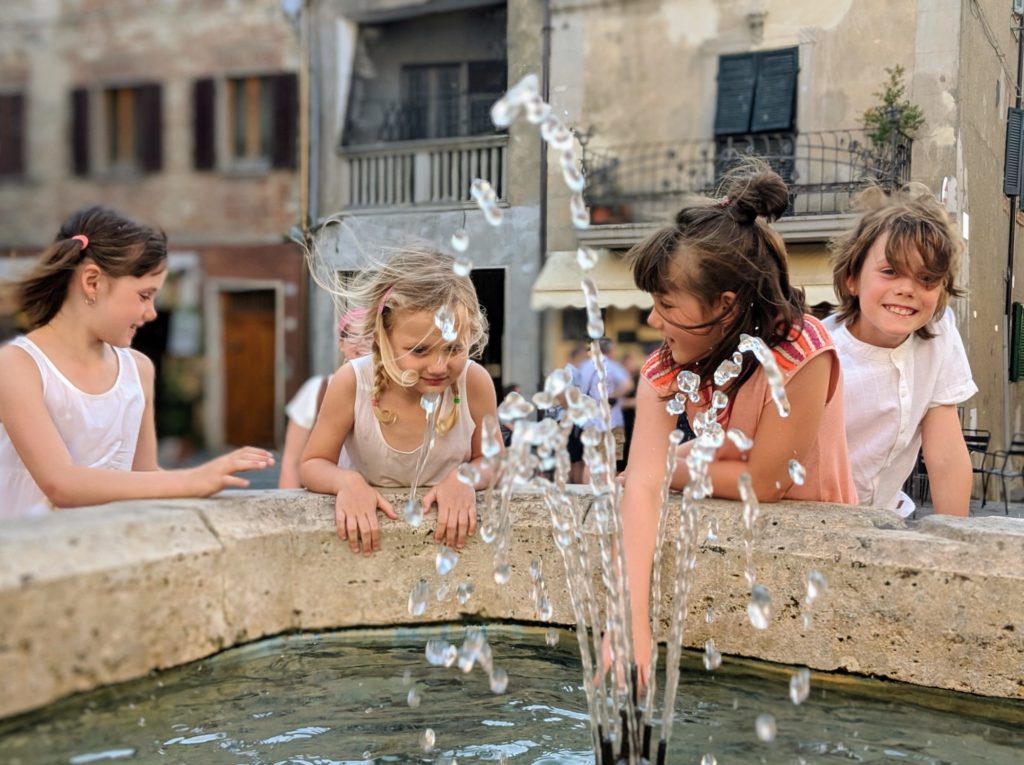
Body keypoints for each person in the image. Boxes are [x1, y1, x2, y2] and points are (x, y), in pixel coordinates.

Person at [618, 166, 857, 684]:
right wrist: (632, 624)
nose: (653, 321)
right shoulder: (669, 364)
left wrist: (672, 468)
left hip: (814, 569)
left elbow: (766, 482)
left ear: (724, 307)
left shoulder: (801, 350)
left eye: (665, 305)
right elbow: (637, 486)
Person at [0, 206, 274, 520]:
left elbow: (143, 475)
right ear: (92, 282)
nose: (152, 313)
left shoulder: (139, 369)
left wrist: (205, 481)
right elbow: (61, 483)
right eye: (145, 295)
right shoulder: (17, 365)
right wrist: (191, 479)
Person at [300, 247, 498, 556]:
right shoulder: (353, 382)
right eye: (419, 350)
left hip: (450, 546)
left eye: (454, 349)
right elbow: (312, 464)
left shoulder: (474, 382)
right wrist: (346, 483)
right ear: (381, 338)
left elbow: (494, 460)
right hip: (369, 543)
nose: (438, 366)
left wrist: (465, 477)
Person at [824, 183, 975, 517]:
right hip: (814, 520)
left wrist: (956, 543)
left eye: (926, 279)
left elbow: (946, 454)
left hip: (887, 517)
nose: (907, 289)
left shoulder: (939, 336)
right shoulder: (822, 353)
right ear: (852, 278)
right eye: (890, 271)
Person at [278, 309, 371, 488]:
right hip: (321, 499)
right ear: (341, 343)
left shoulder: (396, 393)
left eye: (369, 335)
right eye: (352, 336)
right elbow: (292, 461)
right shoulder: (317, 390)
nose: (361, 343)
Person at [572, 337, 634, 479]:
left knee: (591, 462)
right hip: (612, 420)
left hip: (592, 421)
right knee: (609, 461)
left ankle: (587, 494)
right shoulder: (612, 366)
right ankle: (606, 495)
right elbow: (628, 384)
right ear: (610, 350)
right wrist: (613, 396)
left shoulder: (587, 366)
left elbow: (578, 391)